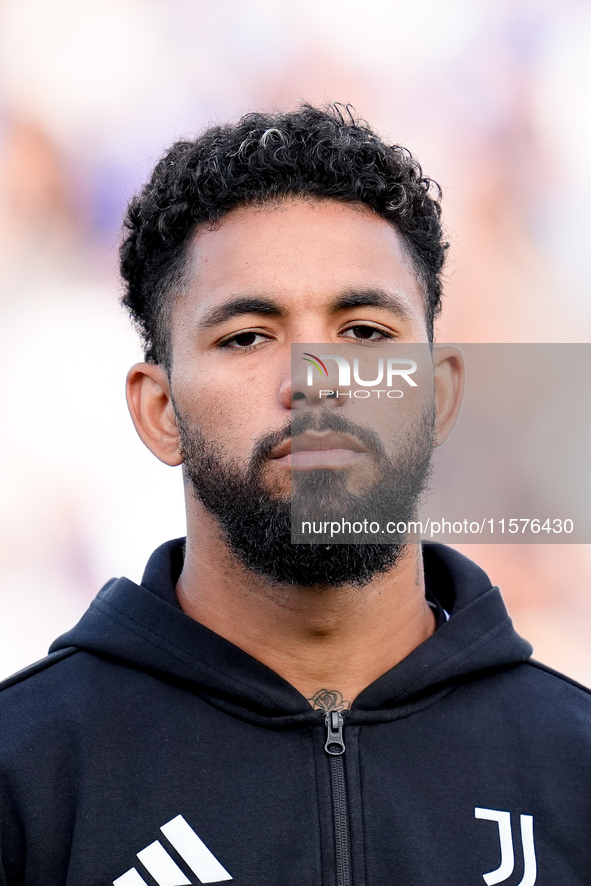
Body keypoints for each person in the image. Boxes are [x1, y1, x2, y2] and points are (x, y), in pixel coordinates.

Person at [0, 104, 589, 886]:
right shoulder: (26, 777)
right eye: (247, 336)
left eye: (365, 333)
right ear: (159, 410)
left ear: (438, 397)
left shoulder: (573, 770)